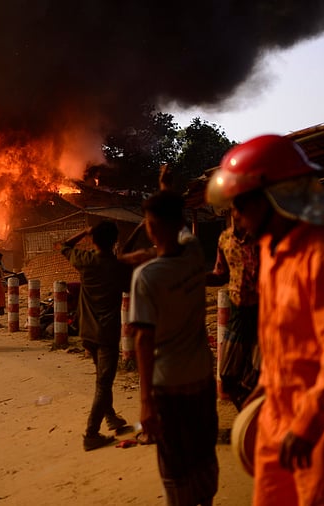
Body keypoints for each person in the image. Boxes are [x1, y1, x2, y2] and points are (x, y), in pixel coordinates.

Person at [206, 134, 324, 506]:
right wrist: (266, 385)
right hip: (279, 411)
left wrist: (308, 423)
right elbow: (279, 335)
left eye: (241, 203)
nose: (235, 214)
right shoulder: (271, 251)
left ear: (274, 197)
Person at [128, 190, 218, 505]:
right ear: (181, 221)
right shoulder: (195, 254)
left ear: (150, 227)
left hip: (169, 386)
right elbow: (182, 234)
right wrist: (166, 189)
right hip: (203, 377)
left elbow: (143, 339)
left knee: (176, 466)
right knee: (203, 455)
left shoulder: (146, 277)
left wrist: (145, 403)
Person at [61, 221, 134, 451]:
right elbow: (131, 284)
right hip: (106, 334)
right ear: (114, 241)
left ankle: (111, 416)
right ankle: (91, 434)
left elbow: (62, 245)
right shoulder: (117, 267)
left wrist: (84, 231)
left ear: (93, 240)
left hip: (87, 331)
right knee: (104, 382)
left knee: (101, 378)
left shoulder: (86, 260)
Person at [205, 213, 260, 410]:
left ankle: (257, 424)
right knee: (228, 377)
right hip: (238, 313)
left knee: (259, 375)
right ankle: (247, 418)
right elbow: (221, 275)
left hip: (263, 312)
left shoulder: (263, 236)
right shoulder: (225, 239)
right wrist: (195, 277)